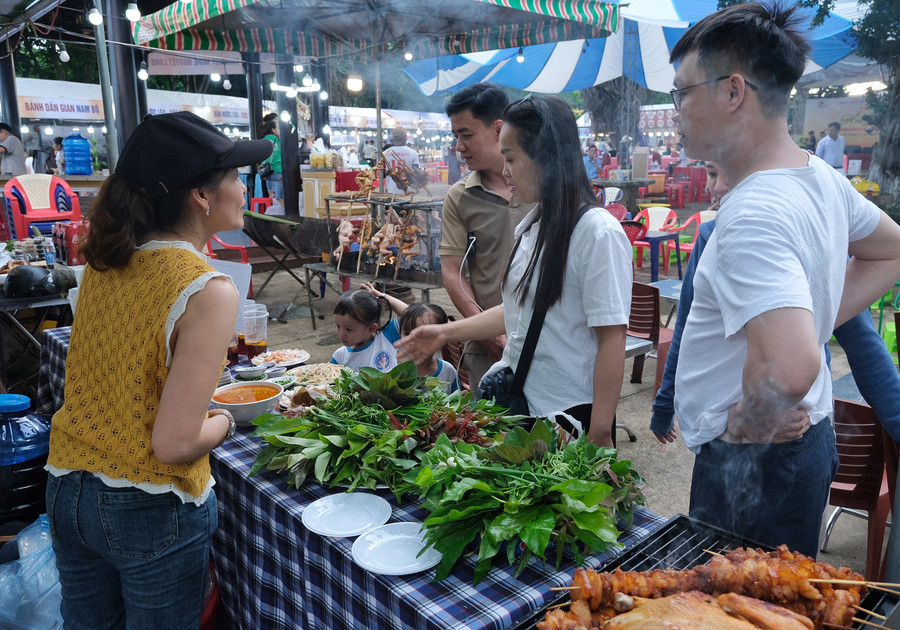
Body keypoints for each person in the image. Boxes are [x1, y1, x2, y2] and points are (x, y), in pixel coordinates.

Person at [668, 1, 900, 557]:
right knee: (780, 592)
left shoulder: (751, 213)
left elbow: (790, 370)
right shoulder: (817, 175)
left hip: (757, 457)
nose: (675, 111)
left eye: (682, 93)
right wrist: (817, 318)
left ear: (733, 91)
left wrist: (745, 424)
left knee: (732, 595)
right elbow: (892, 249)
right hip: (802, 447)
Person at [44, 111, 273, 628]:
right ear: (201, 195)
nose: (243, 188)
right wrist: (229, 419)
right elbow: (174, 444)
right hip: (147, 504)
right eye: (235, 176)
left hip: (66, 483)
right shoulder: (207, 288)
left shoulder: (104, 261)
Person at [397, 95, 633, 447]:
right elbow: (517, 311)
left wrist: (600, 434)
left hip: (569, 417)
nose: (505, 172)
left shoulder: (597, 232)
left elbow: (612, 339)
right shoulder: (534, 224)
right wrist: (443, 333)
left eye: (510, 158)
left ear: (546, 158)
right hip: (526, 408)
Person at [651, 163, 900, 445]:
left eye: (733, 172)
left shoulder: (816, 247)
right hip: (725, 436)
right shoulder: (710, 238)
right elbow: (686, 332)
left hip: (798, 436)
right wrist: (664, 404)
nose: (719, 186)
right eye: (712, 173)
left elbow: (865, 347)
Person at [438, 83, 529, 389]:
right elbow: (453, 273)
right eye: (456, 137)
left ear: (498, 129)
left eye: (466, 135)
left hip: (545, 337)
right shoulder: (460, 196)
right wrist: (486, 331)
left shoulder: (539, 186)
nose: (459, 147)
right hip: (486, 344)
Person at [361, 283, 460, 392]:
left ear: (440, 340)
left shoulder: (448, 371)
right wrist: (381, 295)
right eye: (407, 334)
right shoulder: (392, 369)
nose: (412, 340)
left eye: (423, 335)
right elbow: (408, 314)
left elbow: (456, 400)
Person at [331, 288, 399, 372]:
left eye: (348, 329)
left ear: (371, 328)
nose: (341, 334)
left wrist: (382, 295)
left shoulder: (387, 338)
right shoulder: (339, 357)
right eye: (338, 326)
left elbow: (409, 314)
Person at [383, 127, 420, 194]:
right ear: (405, 138)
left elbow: (382, 174)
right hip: (409, 192)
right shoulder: (413, 153)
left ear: (393, 138)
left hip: (391, 191)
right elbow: (416, 174)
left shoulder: (385, 153)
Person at [260, 118, 283, 206]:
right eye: (277, 128)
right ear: (273, 129)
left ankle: (272, 211)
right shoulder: (278, 140)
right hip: (278, 170)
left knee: (271, 196)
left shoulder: (263, 140)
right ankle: (282, 213)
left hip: (266, 172)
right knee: (280, 197)